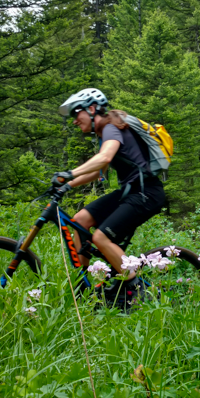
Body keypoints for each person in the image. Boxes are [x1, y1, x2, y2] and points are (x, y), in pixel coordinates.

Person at [50, 88, 167, 305]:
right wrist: (67, 185)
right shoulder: (106, 132)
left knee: (100, 237)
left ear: (92, 109)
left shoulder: (112, 128)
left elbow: (104, 158)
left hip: (146, 193)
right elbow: (98, 171)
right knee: (80, 221)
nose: (75, 121)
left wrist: (69, 173)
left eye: (77, 114)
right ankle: (82, 287)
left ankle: (136, 289)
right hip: (131, 192)